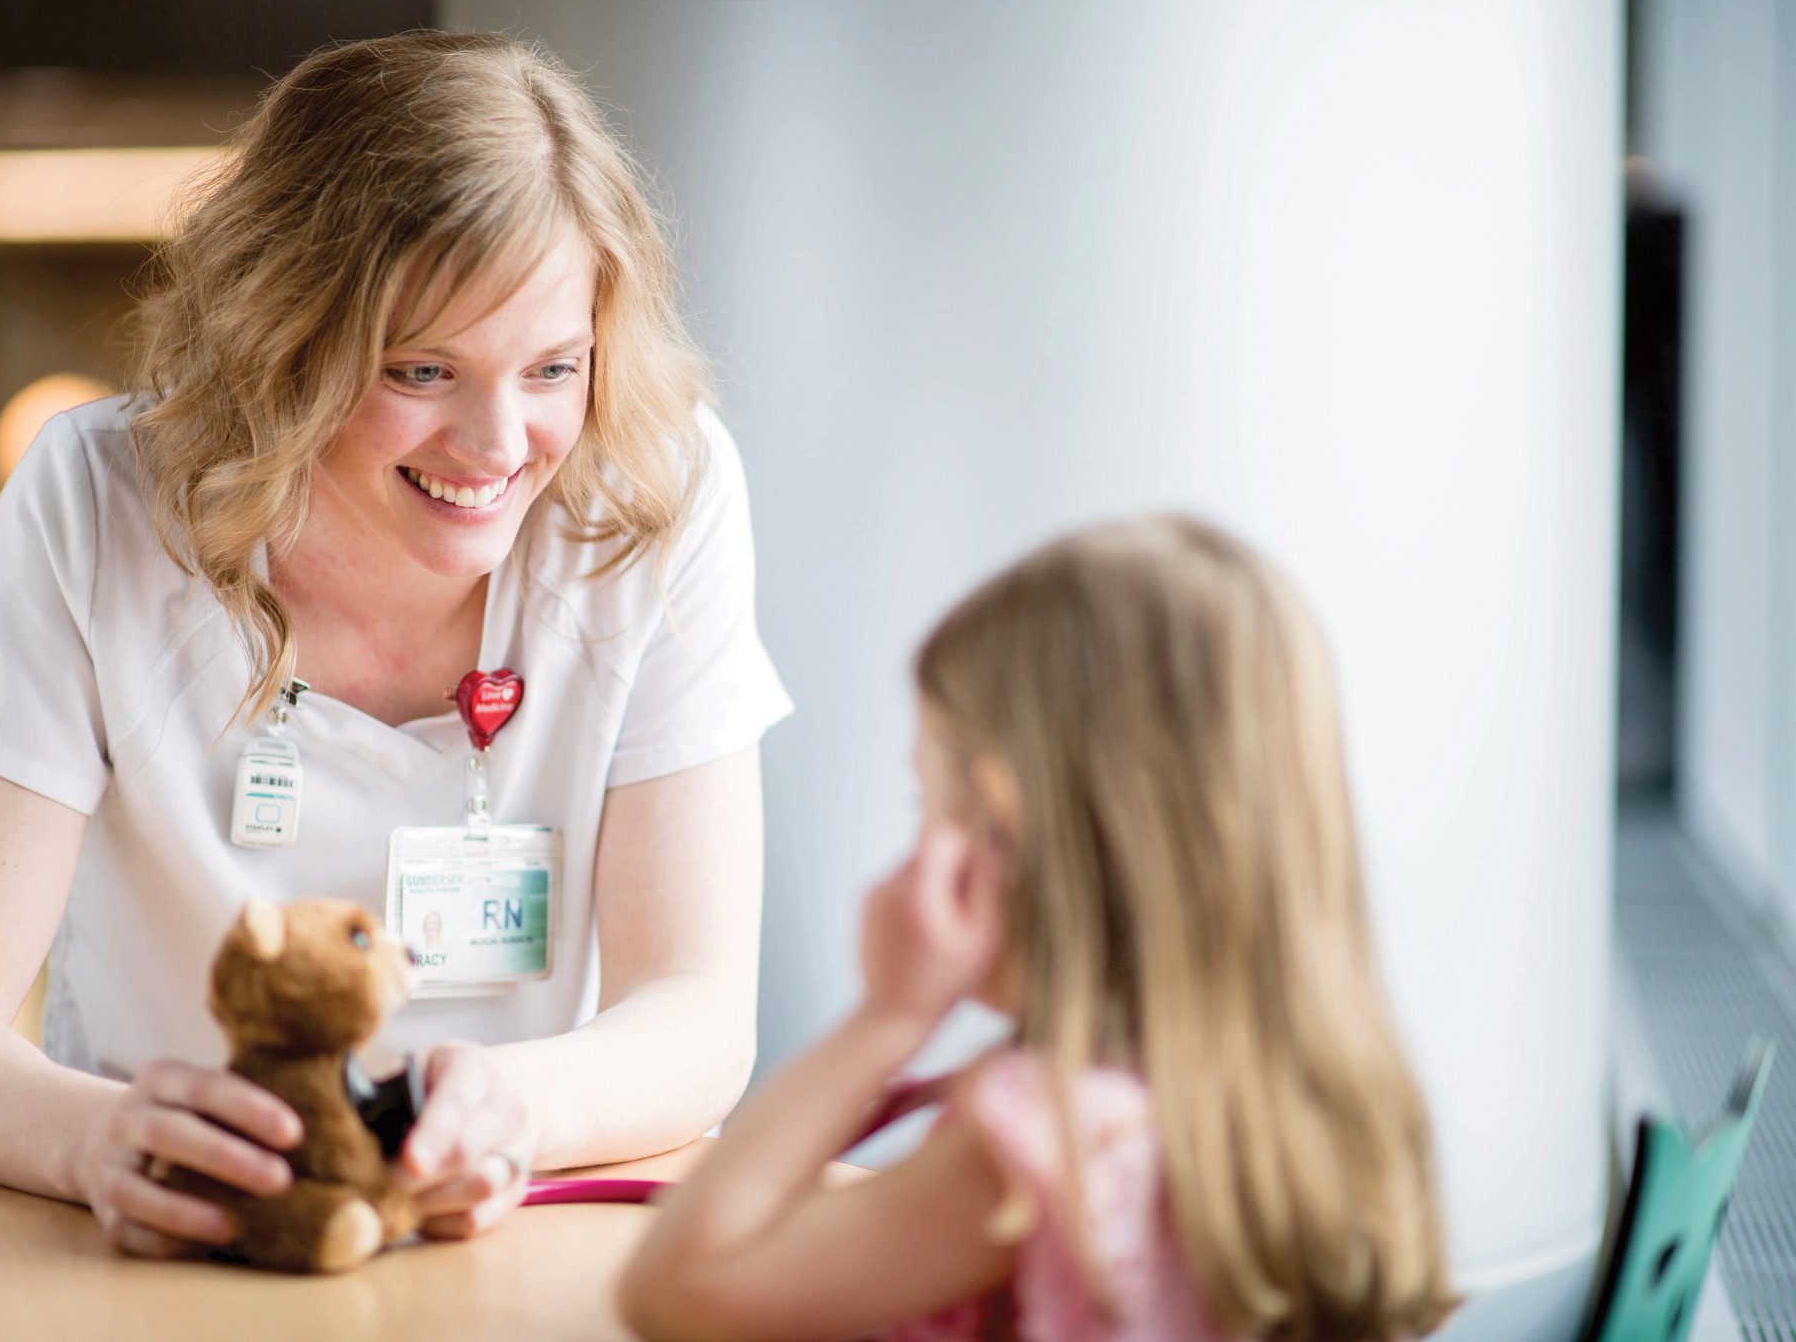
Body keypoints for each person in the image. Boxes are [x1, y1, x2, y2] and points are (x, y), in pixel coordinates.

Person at [0, 31, 790, 1257]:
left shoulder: (656, 487)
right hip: (160, 1242)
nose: (498, 442)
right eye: (422, 369)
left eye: (554, 366)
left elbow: (699, 1012)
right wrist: (95, 1138)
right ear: (280, 341)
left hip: (511, 1241)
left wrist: (520, 1110)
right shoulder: (98, 499)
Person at [618, 517, 1459, 1342]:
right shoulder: (1319, 1109)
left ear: (1009, 833)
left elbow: (673, 1291)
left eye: (932, 804)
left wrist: (887, 1020)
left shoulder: (1040, 1148)